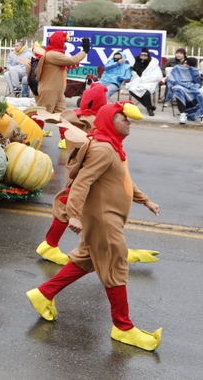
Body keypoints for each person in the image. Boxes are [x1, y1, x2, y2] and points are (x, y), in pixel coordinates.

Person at [26, 102, 163, 351]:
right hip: (103, 220)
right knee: (115, 265)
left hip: (107, 217)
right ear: (111, 121)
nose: (129, 123)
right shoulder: (103, 149)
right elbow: (82, 182)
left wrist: (145, 200)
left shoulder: (113, 147)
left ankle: (44, 293)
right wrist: (74, 214)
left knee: (85, 260)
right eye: (124, 119)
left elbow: (123, 180)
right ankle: (123, 328)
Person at [35, 31, 90, 114]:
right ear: (59, 41)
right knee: (42, 117)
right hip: (49, 91)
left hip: (58, 91)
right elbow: (72, 60)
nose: (65, 44)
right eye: (64, 41)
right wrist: (84, 51)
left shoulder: (54, 54)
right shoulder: (53, 55)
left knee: (61, 117)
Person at [165, 49, 202, 124]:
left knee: (198, 93)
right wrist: (179, 83)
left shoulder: (193, 70)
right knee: (178, 90)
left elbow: (198, 83)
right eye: (185, 63)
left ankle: (201, 114)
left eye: (188, 63)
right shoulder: (176, 68)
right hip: (178, 84)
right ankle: (183, 114)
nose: (185, 64)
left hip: (190, 86)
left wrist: (192, 85)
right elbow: (172, 79)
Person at [125, 48, 163, 116]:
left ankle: (149, 109)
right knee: (132, 90)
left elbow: (158, 76)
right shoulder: (137, 62)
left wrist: (145, 79)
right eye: (142, 55)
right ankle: (149, 106)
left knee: (146, 92)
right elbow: (134, 74)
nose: (143, 57)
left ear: (148, 56)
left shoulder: (153, 64)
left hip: (150, 81)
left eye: (145, 55)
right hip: (137, 81)